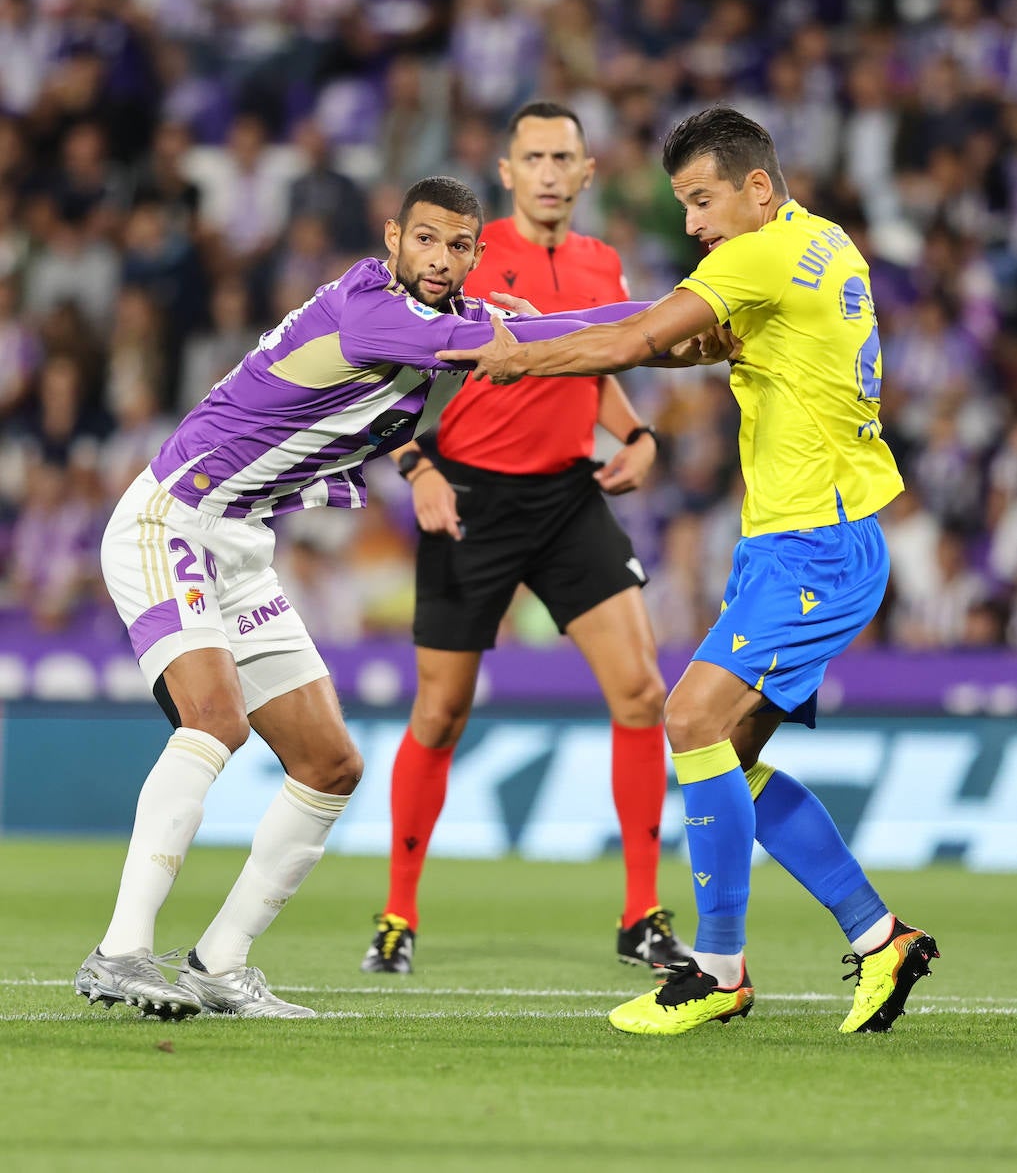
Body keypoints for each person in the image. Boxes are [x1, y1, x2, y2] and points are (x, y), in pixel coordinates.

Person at [75, 174, 624, 1021]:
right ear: (392, 237)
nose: (441, 259)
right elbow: (540, 339)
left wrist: (656, 319)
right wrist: (681, 320)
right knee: (213, 719)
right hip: (173, 519)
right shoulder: (372, 312)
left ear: (477, 253)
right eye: (427, 240)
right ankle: (119, 953)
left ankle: (220, 964)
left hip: (241, 544)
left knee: (331, 764)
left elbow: (528, 334)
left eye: (459, 246)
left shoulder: (435, 317)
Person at [443, 107, 939, 1037]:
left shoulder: (751, 258)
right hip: (821, 537)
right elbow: (688, 336)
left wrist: (516, 359)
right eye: (682, 204)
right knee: (731, 758)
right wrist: (592, 331)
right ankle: (881, 939)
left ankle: (715, 970)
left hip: (810, 546)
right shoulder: (824, 244)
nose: (694, 223)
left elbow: (637, 341)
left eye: (703, 199)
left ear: (757, 187)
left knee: (686, 718)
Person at [362, 101, 690, 977]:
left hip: (565, 497)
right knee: (440, 713)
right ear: (505, 172)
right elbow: (370, 372)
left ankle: (640, 914)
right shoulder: (461, 257)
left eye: (564, 157)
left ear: (587, 174)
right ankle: (396, 913)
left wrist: (637, 433)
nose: (549, 171)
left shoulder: (602, 261)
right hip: (469, 498)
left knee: (641, 694)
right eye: (533, 156)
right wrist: (419, 470)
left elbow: (596, 360)